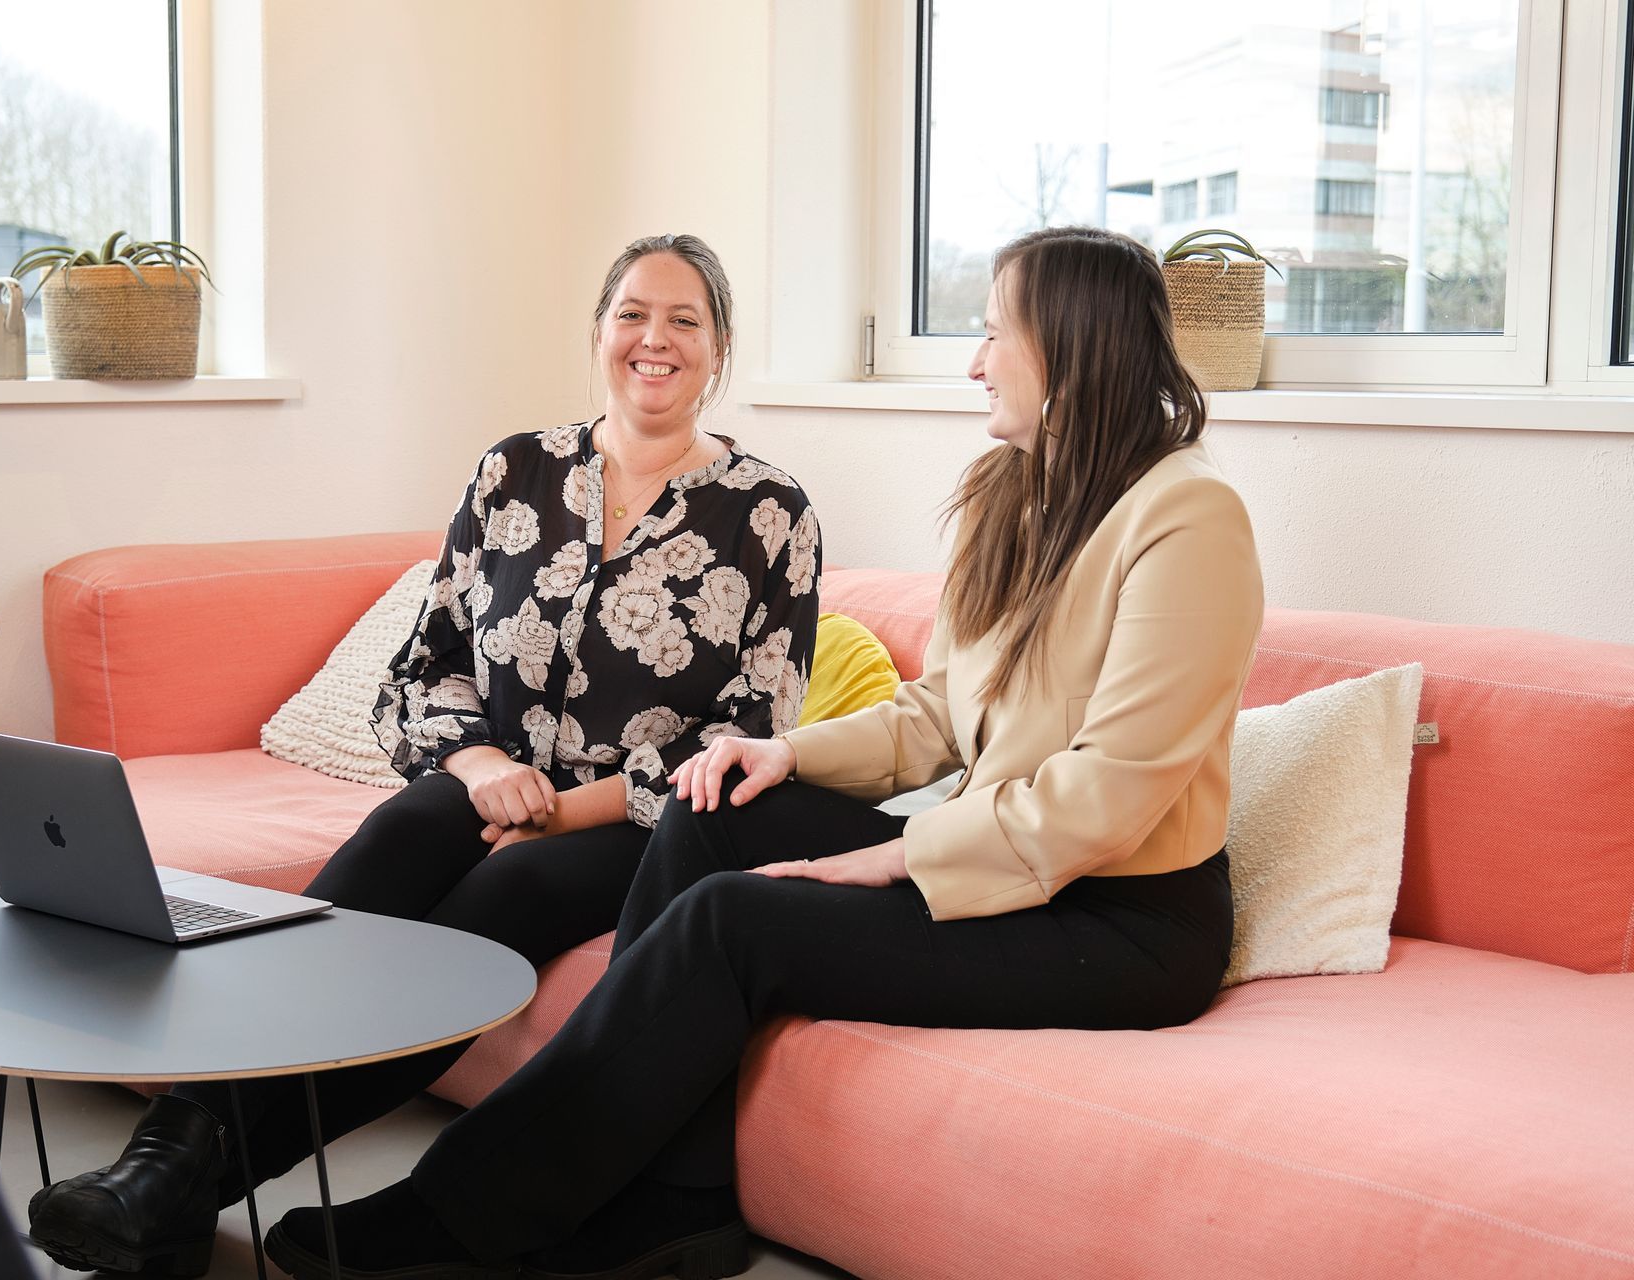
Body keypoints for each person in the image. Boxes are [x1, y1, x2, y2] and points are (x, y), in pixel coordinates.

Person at [255, 224, 1266, 1280]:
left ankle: (462, 1210)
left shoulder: (1187, 516)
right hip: (997, 857)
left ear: (1071, 343)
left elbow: (1111, 792)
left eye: (992, 332)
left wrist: (888, 857)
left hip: (1119, 915)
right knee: (712, 802)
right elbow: (936, 716)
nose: (974, 360)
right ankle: (676, 1202)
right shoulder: (1013, 497)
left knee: (733, 920)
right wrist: (785, 757)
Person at [27, 233, 822, 1277]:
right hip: (489, 778)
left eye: (685, 320)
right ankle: (164, 1160)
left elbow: (749, 729)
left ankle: (177, 1184)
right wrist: (481, 765)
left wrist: (566, 809)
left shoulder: (770, 511)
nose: (653, 338)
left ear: (719, 351)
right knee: (402, 829)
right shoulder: (514, 470)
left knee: (480, 923)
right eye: (632, 312)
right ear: (597, 333)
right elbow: (424, 662)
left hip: (639, 821)